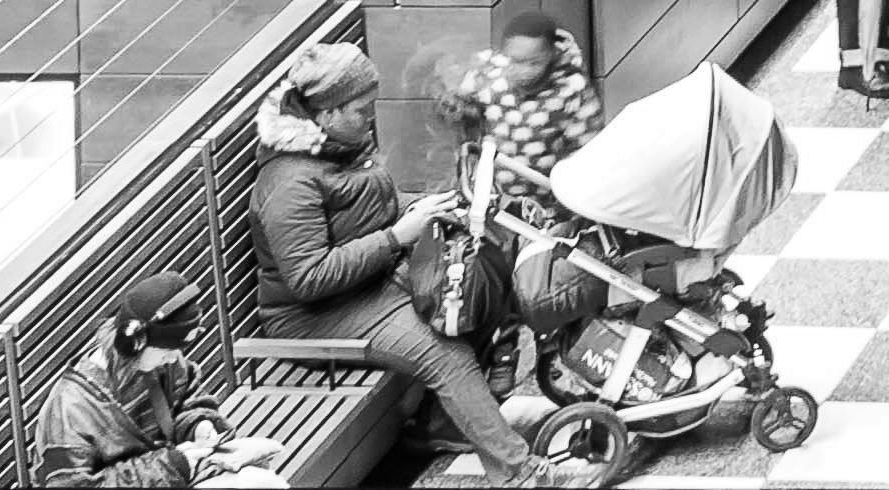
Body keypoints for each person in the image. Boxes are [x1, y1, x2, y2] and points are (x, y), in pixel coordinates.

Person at [244, 33, 528, 471]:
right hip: (318, 314)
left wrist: (429, 210)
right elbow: (308, 278)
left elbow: (373, 206)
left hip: (372, 281)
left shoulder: (338, 146)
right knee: (445, 354)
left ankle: (440, 425)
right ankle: (520, 472)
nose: (370, 119)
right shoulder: (290, 183)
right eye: (361, 110)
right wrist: (398, 236)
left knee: (478, 277)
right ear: (328, 112)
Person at [28, 286, 277, 490]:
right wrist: (173, 464)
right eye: (167, 350)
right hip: (165, 474)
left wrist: (198, 425)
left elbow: (187, 400)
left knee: (262, 480)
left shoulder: (161, 362)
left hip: (171, 475)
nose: (174, 357)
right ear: (134, 344)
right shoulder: (70, 409)